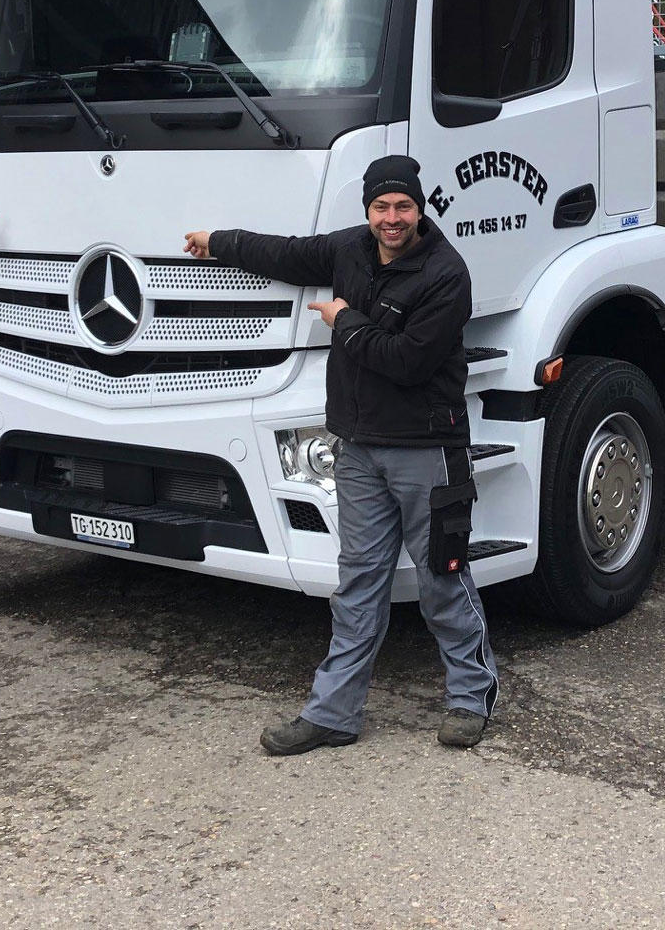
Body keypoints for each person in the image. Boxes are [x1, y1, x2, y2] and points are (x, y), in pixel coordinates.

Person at [184, 155, 498, 753]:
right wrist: (218, 241)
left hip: (427, 449)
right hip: (358, 448)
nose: (392, 218)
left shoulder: (445, 273)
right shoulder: (350, 249)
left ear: (420, 208)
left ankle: (470, 695)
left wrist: (345, 320)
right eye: (381, 207)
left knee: (441, 577)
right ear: (368, 210)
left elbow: (409, 361)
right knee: (357, 584)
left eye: (403, 206)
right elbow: (287, 253)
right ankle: (334, 713)